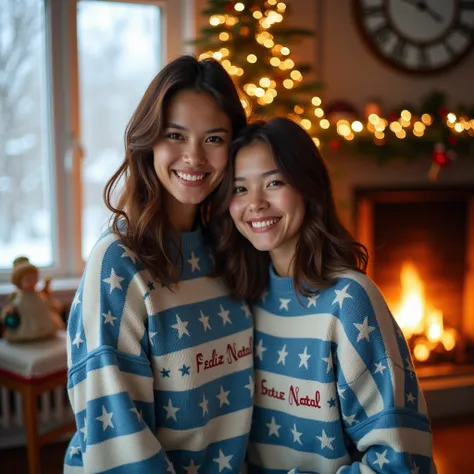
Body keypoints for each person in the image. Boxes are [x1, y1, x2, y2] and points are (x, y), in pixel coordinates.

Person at [211, 117, 436, 473]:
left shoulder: (350, 301)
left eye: (274, 182)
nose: (255, 203)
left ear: (307, 187)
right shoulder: (241, 300)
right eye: (240, 189)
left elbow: (397, 463)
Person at [64, 55, 254, 474]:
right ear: (148, 139)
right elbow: (117, 435)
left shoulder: (227, 250)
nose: (194, 157)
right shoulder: (118, 261)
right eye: (175, 135)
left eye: (214, 138)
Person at [1, 256, 64, 342]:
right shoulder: (18, 296)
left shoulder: (38, 294)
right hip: (27, 323)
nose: (32, 282)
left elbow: (46, 302)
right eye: (28, 280)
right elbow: (12, 306)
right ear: (19, 281)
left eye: (34, 279)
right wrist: (10, 311)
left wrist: (53, 304)